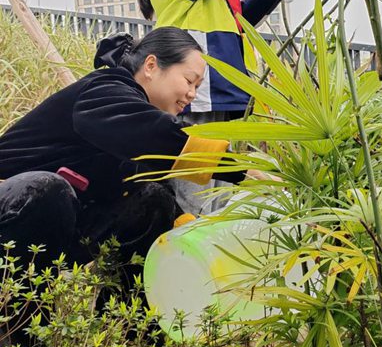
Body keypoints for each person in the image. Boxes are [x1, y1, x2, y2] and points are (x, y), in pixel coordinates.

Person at [128, 0, 316, 212]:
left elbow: (238, 20)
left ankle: (212, 260)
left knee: (222, 195)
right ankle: (187, 258)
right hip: (196, 96)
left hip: (223, 94)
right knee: (198, 199)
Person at [0, 28, 244, 271]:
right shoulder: (104, 90)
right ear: (151, 66)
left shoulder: (135, 128)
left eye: (198, 87)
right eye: (189, 81)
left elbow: (161, 194)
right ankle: (22, 308)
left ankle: (126, 306)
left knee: (154, 200)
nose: (191, 94)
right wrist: (242, 171)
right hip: (14, 206)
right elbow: (158, 133)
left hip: (59, 223)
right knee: (48, 189)